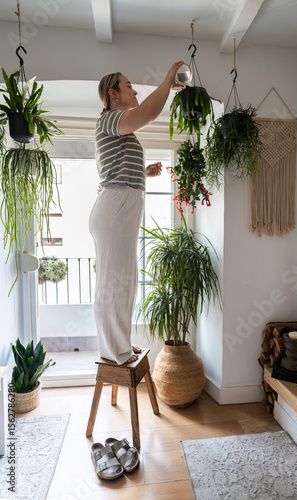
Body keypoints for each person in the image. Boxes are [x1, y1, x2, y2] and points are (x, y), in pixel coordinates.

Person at [89, 61, 184, 365]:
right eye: (128, 85)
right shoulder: (109, 119)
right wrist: (167, 81)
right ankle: (113, 351)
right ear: (113, 93)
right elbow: (149, 114)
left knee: (124, 281)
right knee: (114, 283)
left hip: (120, 206)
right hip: (116, 208)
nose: (134, 90)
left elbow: (115, 167)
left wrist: (144, 173)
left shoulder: (115, 123)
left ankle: (119, 345)